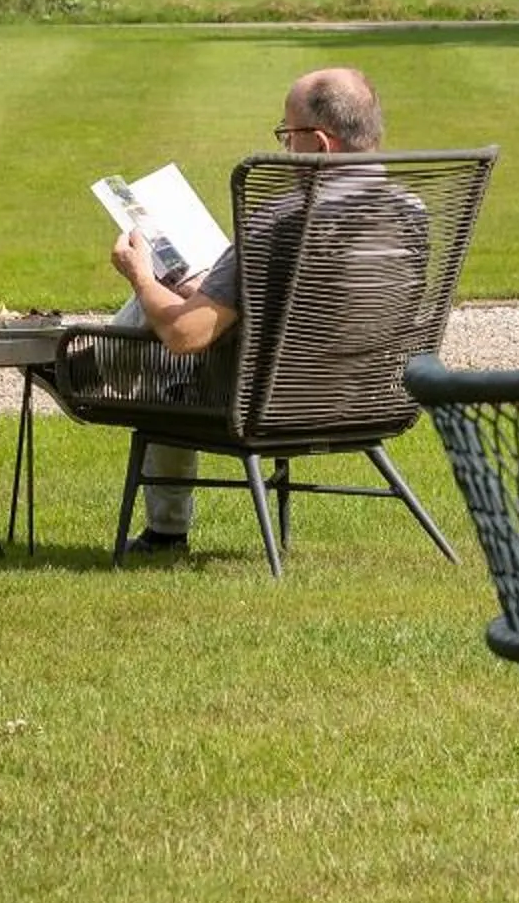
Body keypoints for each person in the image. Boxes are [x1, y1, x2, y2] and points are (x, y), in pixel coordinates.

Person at [109, 66, 388, 552]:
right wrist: (208, 288)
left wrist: (141, 274)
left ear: (320, 144)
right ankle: (83, 356)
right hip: (366, 397)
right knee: (181, 295)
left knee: (158, 339)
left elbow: (186, 337)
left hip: (265, 404)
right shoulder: (410, 212)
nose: (284, 147)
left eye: (287, 134)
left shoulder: (280, 221)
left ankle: (78, 366)